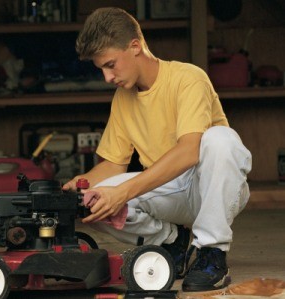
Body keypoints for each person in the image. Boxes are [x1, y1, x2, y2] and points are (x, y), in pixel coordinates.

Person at [63, 7, 252, 292]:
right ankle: (170, 241)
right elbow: (113, 166)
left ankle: (212, 252)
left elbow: (189, 152)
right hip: (170, 191)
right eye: (101, 69)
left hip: (213, 187)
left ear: (135, 47)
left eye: (111, 64)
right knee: (94, 200)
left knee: (220, 139)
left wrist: (123, 193)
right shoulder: (123, 98)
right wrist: (76, 189)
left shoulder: (188, 78)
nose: (107, 77)